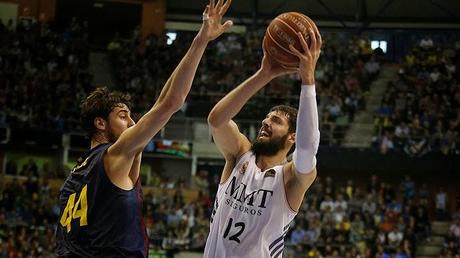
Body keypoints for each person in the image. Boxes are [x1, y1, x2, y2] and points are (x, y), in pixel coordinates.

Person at [55, 0, 234, 257]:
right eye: (123, 116)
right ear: (100, 123)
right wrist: (201, 40)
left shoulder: (71, 181)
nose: (132, 123)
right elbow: (170, 102)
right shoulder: (114, 156)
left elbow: (161, 102)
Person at [204, 26, 322, 257]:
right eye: (266, 118)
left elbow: (308, 147)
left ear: (292, 137)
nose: (265, 122)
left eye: (275, 120)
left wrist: (308, 80)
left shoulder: (291, 178)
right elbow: (216, 120)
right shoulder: (240, 153)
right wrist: (264, 74)